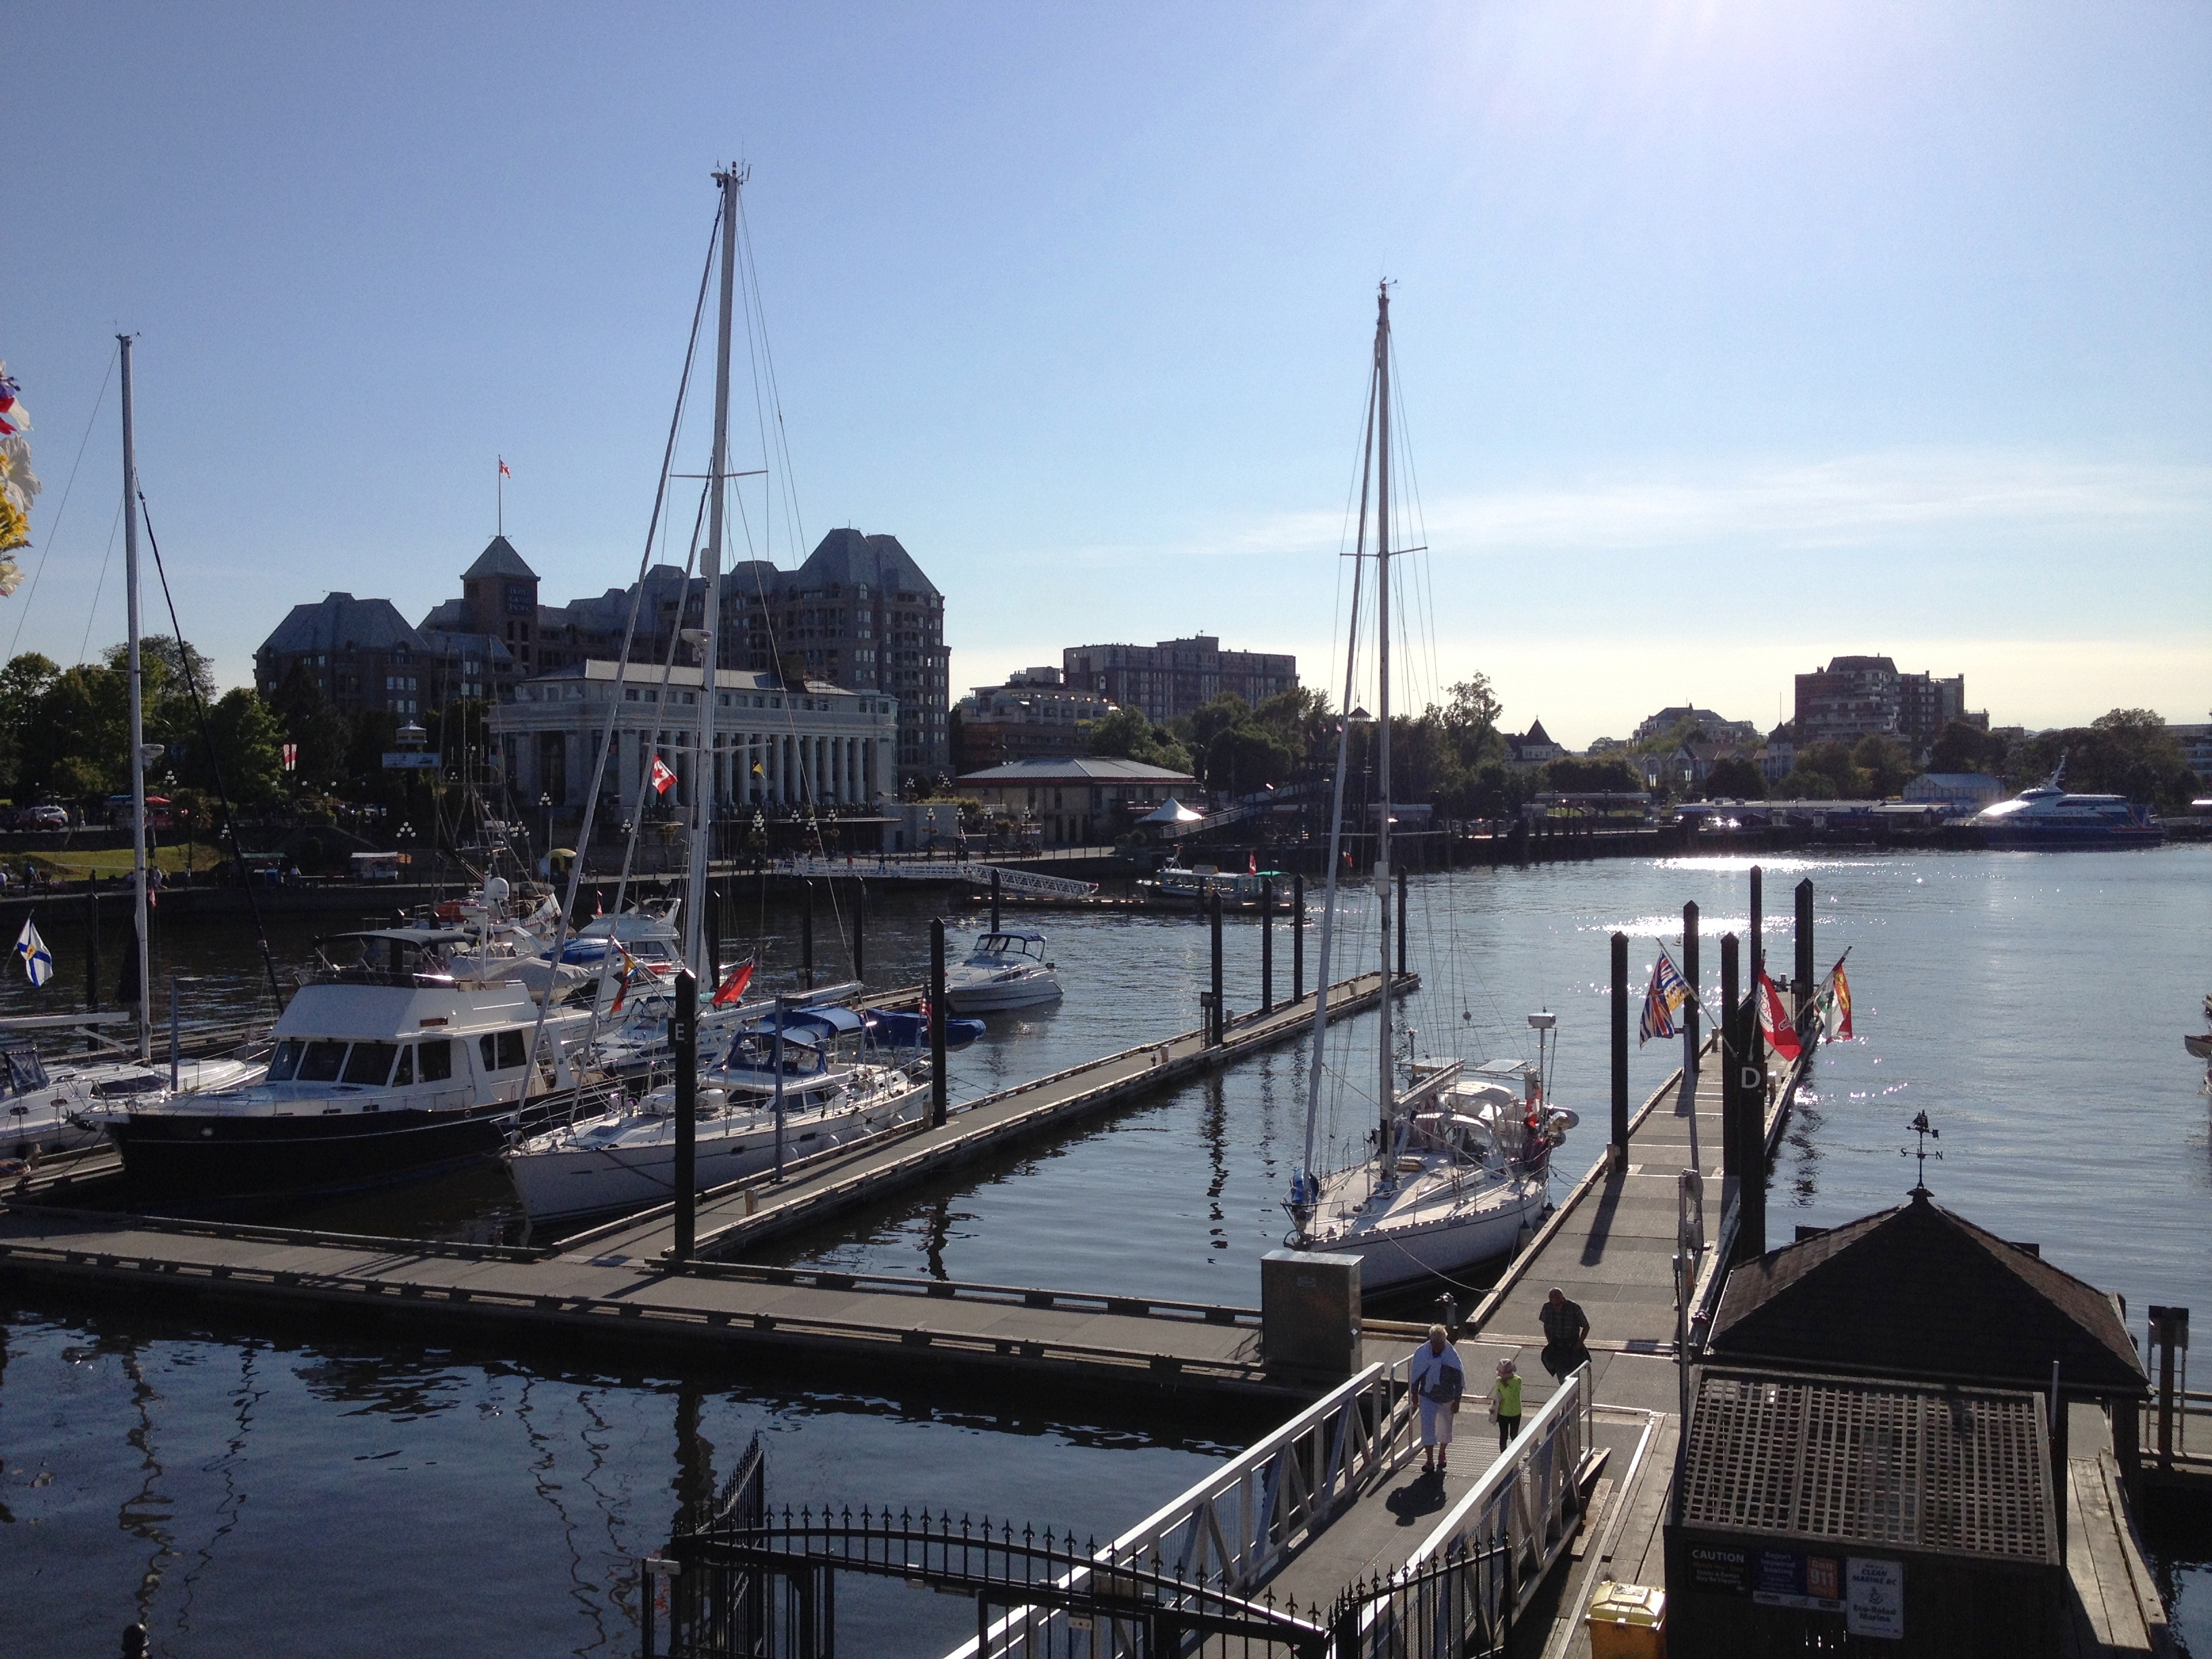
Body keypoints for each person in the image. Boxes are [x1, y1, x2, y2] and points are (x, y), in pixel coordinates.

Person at [1410, 1324, 1464, 1474]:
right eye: (1435, 1344)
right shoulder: (1422, 1353)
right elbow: (1416, 1374)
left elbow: (1458, 1379)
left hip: (1447, 1398)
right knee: (1427, 1428)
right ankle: (1429, 1460)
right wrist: (1414, 1393)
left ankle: (1442, 1453)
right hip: (1427, 1396)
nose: (1438, 1347)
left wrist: (1457, 1400)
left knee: (1445, 1428)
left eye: (1441, 1344)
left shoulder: (1451, 1356)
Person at [1539, 1286, 1591, 1380]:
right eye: (1555, 1305)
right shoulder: (1547, 1308)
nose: (1557, 1307)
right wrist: (1550, 1341)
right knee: (1561, 1374)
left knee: (1573, 1374)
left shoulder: (1574, 1308)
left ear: (1563, 1299)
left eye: (1559, 1304)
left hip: (1572, 1346)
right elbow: (1546, 1326)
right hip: (1557, 1347)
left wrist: (1579, 1344)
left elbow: (1586, 1326)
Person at [1488, 1357, 1523, 1450]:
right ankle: (1503, 1454)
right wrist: (1493, 1407)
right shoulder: (1498, 1381)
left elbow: (1511, 1394)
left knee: (1514, 1435)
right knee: (1503, 1435)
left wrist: (1504, 1385)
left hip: (1515, 1413)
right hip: (1503, 1413)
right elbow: (1497, 1396)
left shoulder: (1518, 1380)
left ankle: (1515, 1453)